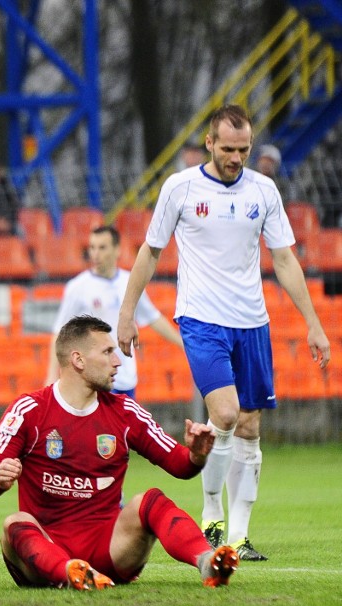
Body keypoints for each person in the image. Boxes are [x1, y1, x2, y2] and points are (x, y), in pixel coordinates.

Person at [117, 104, 330, 561]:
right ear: (209, 144)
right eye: (228, 149)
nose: (236, 158)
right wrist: (127, 313)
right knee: (228, 413)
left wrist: (313, 323)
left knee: (250, 426)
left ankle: (238, 537)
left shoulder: (264, 190)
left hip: (252, 322)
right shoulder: (180, 187)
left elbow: (285, 259)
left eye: (244, 149)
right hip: (201, 318)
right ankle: (212, 515)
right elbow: (150, 253)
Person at [0, 315, 240, 591]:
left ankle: (207, 560)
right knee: (14, 524)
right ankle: (70, 572)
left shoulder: (125, 412)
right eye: (107, 352)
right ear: (78, 360)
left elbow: (180, 465)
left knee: (151, 500)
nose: (118, 361)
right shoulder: (29, 410)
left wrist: (196, 455)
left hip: (109, 548)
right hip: (46, 548)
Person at [45, 225, 183, 398]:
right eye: (92, 247)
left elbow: (153, 317)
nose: (95, 254)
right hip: (94, 379)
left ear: (117, 250)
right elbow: (59, 333)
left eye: (102, 247)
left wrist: (184, 345)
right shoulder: (77, 288)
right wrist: (51, 375)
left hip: (126, 378)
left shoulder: (130, 282)